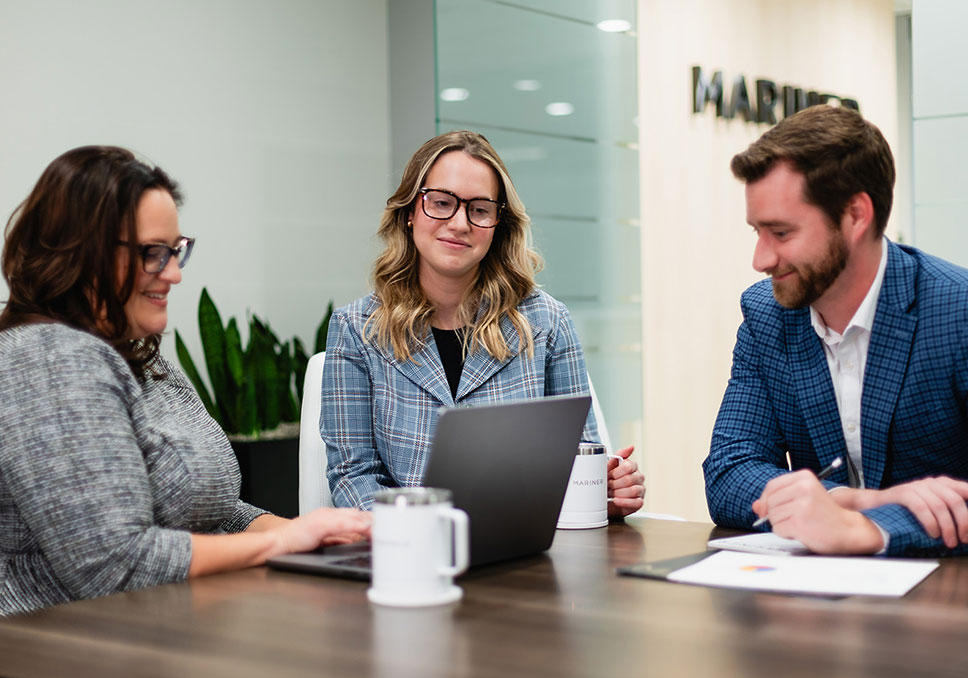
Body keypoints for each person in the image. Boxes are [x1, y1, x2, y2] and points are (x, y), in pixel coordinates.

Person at [0, 146, 370, 616]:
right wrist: (286, 541)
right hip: (61, 644)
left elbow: (212, 513)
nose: (173, 273)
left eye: (176, 251)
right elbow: (115, 566)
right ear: (82, 254)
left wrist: (315, 533)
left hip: (169, 621)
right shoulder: (48, 360)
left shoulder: (141, 358)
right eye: (153, 254)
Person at [322, 130, 645, 513]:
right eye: (441, 203)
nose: (459, 223)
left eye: (479, 209)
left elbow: (580, 456)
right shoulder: (356, 330)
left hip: (526, 551)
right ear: (410, 212)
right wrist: (417, 531)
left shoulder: (547, 322)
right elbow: (352, 475)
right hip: (410, 550)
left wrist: (604, 488)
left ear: (497, 224)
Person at [704, 104, 968, 556]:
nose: (761, 259)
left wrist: (870, 529)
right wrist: (849, 501)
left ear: (855, 215)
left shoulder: (956, 310)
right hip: (816, 607)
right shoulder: (766, 314)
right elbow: (730, 472)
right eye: (757, 232)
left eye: (781, 233)